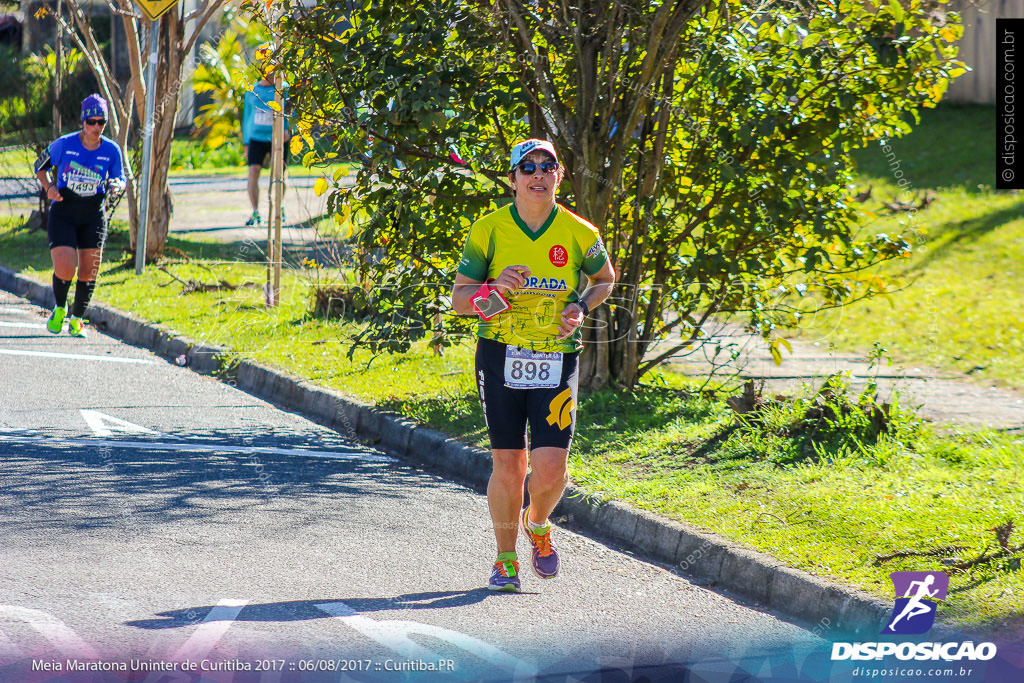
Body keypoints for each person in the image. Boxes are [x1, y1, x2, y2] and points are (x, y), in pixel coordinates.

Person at [452, 139, 616, 592]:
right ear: (513, 179)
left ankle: (537, 523)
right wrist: (494, 290)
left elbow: (606, 279)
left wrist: (580, 306)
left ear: (559, 176)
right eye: (528, 167)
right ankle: (506, 560)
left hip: (556, 356)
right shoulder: (488, 230)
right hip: (501, 353)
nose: (538, 174)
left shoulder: (580, 232)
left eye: (548, 166)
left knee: (551, 469)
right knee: (509, 464)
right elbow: (461, 301)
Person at [35, 94, 125, 338]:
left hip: (93, 214)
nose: (96, 128)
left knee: (88, 271)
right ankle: (59, 309)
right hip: (64, 211)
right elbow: (39, 166)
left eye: (101, 123)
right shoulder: (65, 144)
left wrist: (117, 186)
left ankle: (77, 319)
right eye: (92, 122)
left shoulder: (111, 150)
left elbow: (120, 178)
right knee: (65, 269)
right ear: (83, 123)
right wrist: (50, 188)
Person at [242, 44, 290, 227]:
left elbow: (292, 112)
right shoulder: (252, 91)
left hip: (279, 138)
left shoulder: (283, 89)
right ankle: (255, 211)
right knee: (253, 171)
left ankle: (279, 208)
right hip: (256, 139)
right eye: (264, 65)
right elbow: (247, 118)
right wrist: (246, 143)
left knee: (279, 174)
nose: (268, 70)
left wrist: (288, 130)